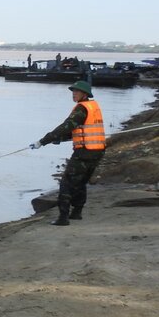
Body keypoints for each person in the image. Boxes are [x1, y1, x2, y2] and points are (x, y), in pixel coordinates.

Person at [29, 80, 105, 226]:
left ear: (84, 94)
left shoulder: (81, 109)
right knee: (81, 182)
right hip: (97, 151)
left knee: (66, 183)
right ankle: (76, 212)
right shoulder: (93, 107)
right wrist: (60, 139)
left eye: (76, 91)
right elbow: (79, 131)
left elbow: (65, 127)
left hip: (84, 152)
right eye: (73, 91)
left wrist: (42, 141)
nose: (73, 93)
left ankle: (63, 217)